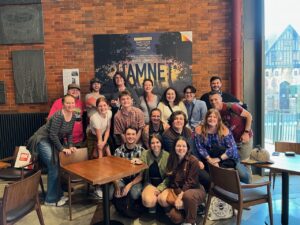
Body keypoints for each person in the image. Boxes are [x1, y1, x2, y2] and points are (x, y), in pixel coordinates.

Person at [27, 95, 77, 206]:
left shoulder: (73, 116)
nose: (70, 105)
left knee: (57, 166)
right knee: (53, 165)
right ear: (63, 104)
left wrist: (70, 146)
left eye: (72, 103)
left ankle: (57, 194)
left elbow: (69, 134)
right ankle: (50, 200)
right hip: (42, 139)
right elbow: (53, 134)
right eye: (68, 103)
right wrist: (63, 149)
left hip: (51, 140)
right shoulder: (59, 116)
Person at [194, 108, 251, 184]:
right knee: (215, 176)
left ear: (218, 119)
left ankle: (245, 190)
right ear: (206, 118)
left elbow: (232, 149)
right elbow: (200, 147)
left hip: (227, 157)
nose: (212, 119)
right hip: (209, 158)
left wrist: (218, 159)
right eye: (210, 116)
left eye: (215, 117)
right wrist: (210, 159)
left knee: (243, 176)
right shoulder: (200, 130)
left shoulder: (224, 130)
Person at [157, 137, 206, 225]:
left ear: (187, 148)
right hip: (178, 189)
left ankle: (190, 222)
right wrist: (177, 197)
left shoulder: (193, 160)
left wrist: (180, 197)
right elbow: (171, 179)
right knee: (175, 217)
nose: (181, 148)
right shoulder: (172, 159)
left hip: (194, 190)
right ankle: (187, 209)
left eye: (184, 146)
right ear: (174, 147)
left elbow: (190, 182)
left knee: (188, 196)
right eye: (178, 146)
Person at [208, 91, 253, 162]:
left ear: (221, 99)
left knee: (243, 162)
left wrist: (246, 132)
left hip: (243, 138)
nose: (213, 102)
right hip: (231, 142)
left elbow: (249, 116)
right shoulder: (215, 113)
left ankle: (246, 173)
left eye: (216, 99)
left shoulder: (232, 106)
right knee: (233, 162)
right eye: (211, 100)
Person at [111, 127, 145, 200]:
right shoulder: (118, 151)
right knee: (112, 194)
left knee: (135, 194)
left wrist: (130, 185)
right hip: (121, 179)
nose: (131, 136)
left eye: (133, 134)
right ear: (124, 136)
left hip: (135, 180)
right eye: (128, 134)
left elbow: (141, 175)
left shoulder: (142, 151)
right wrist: (116, 185)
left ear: (136, 136)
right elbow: (113, 171)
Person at [140, 134, 169, 213]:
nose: (155, 145)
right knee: (148, 201)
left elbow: (170, 177)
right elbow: (141, 165)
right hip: (150, 183)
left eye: (157, 142)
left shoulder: (167, 156)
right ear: (149, 145)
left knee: (164, 200)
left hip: (164, 183)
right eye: (152, 143)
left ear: (161, 143)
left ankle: (164, 209)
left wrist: (160, 188)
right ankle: (153, 208)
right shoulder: (145, 154)